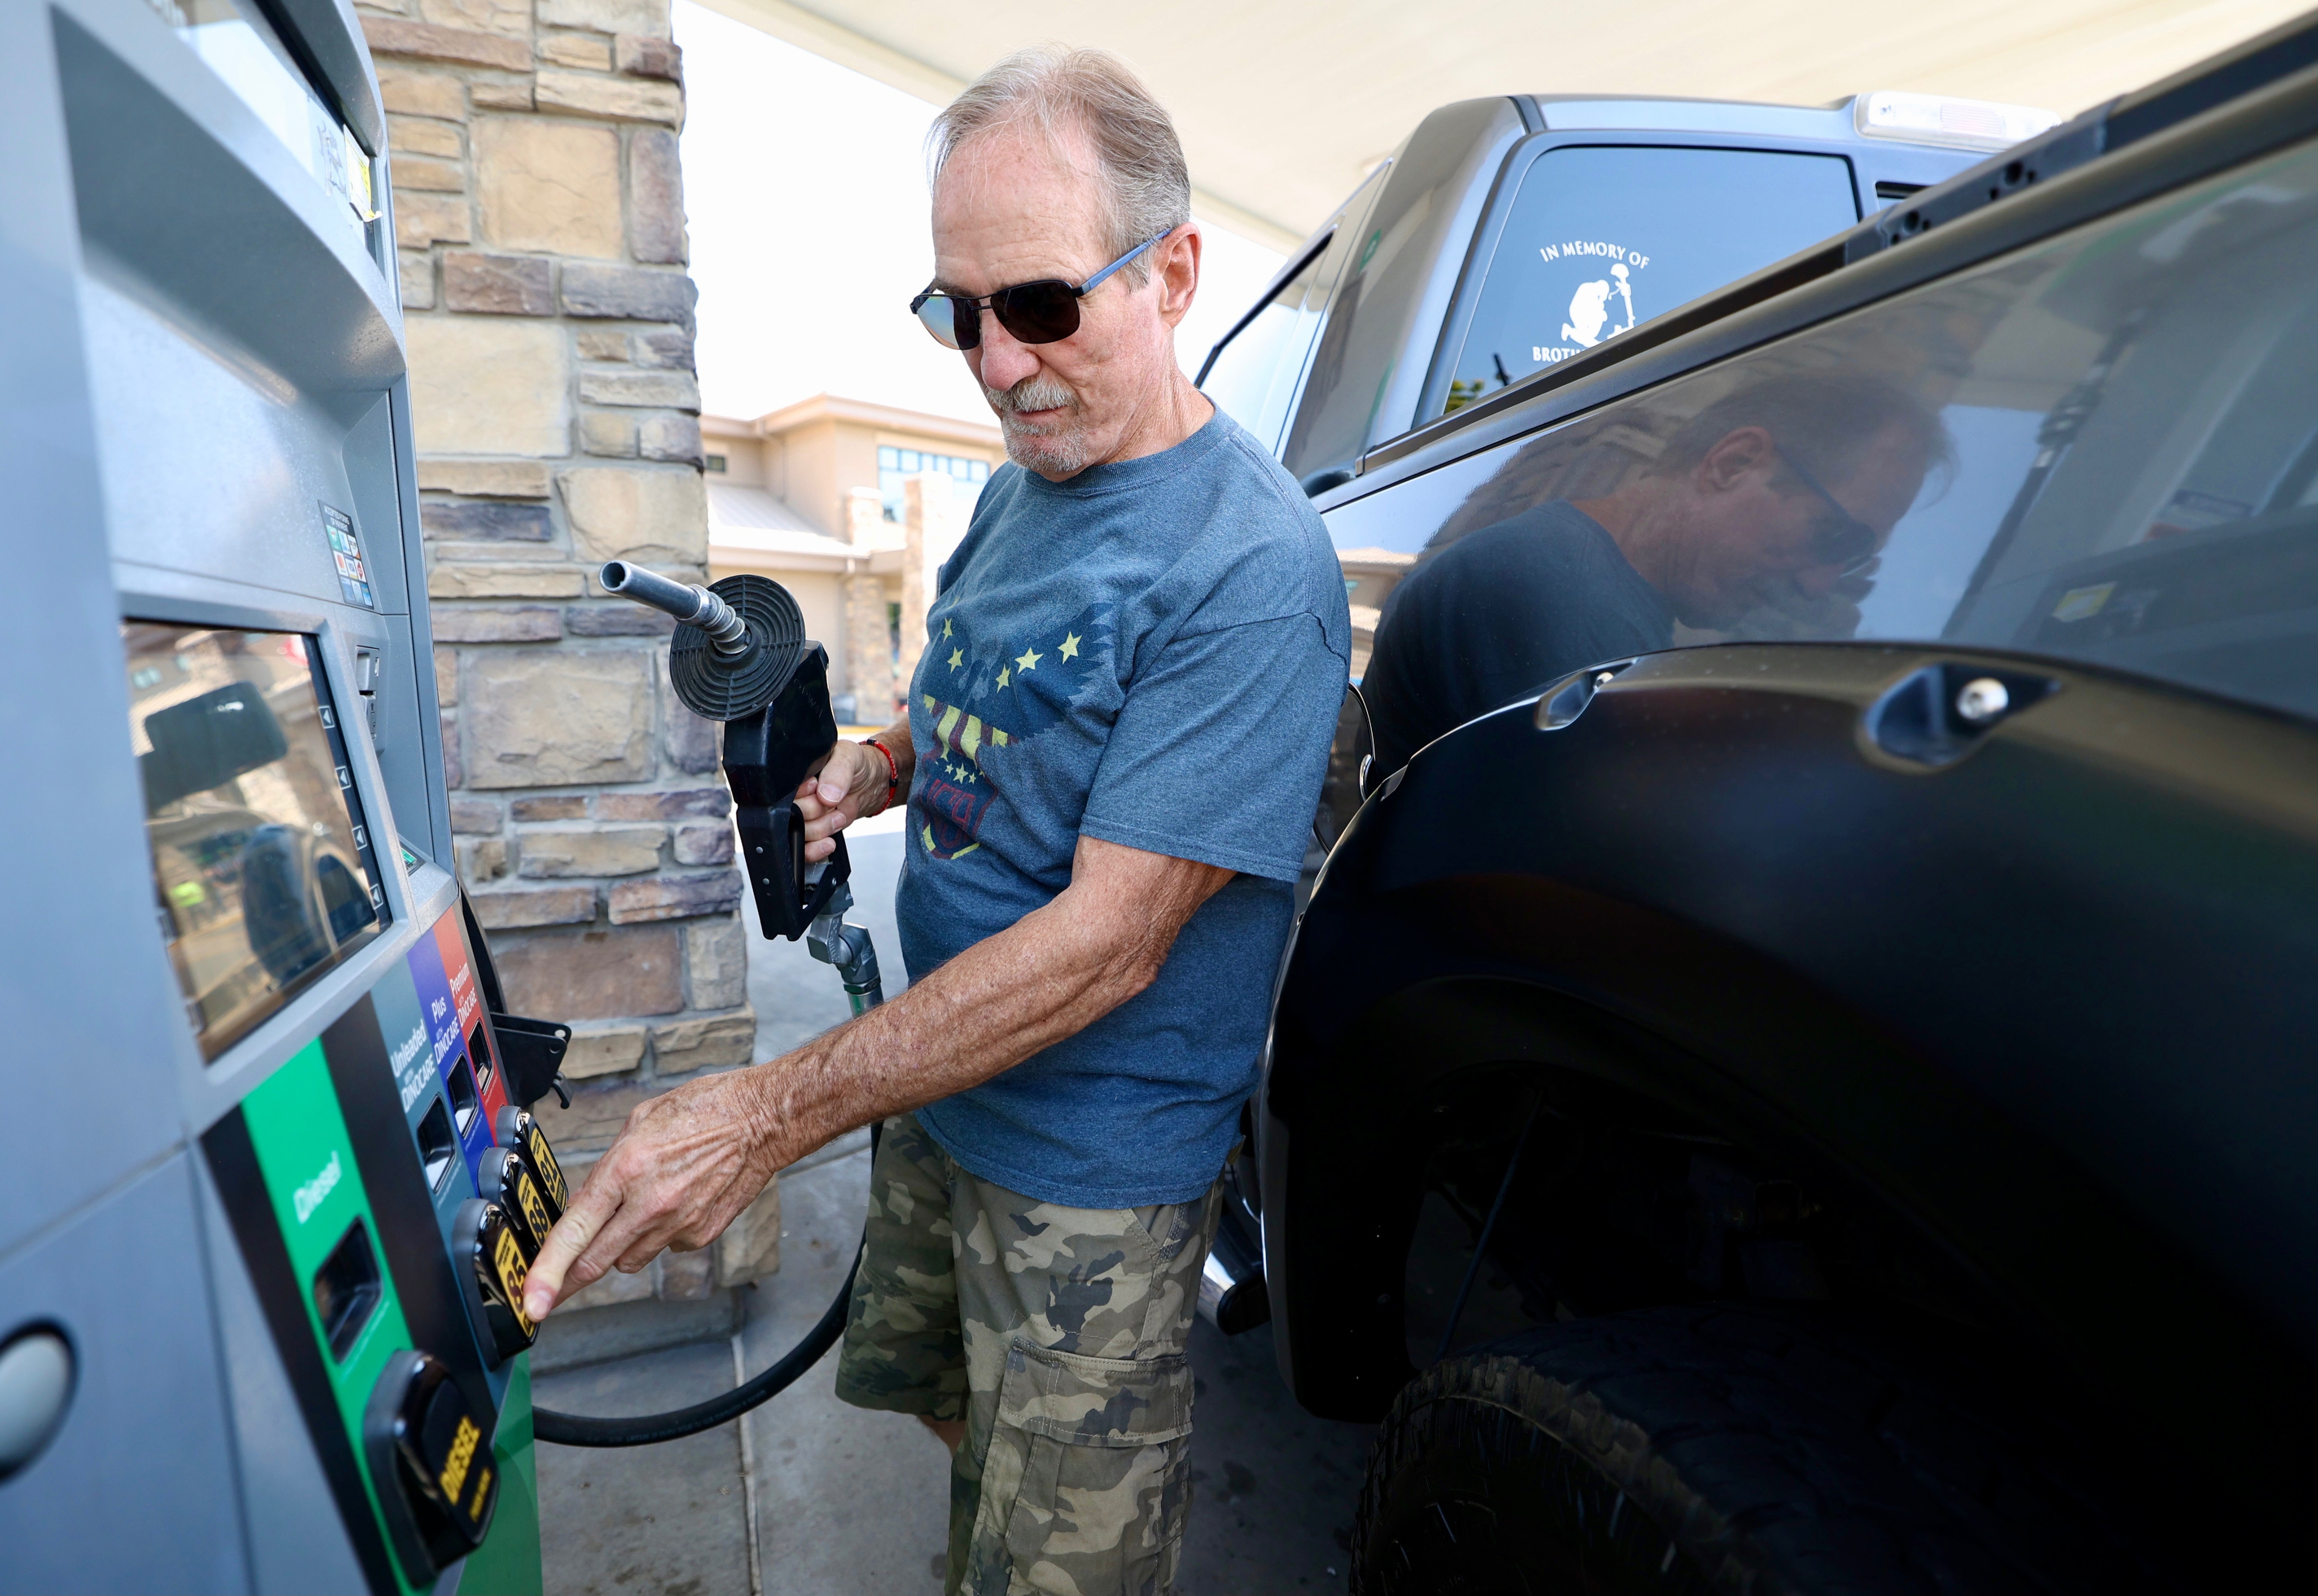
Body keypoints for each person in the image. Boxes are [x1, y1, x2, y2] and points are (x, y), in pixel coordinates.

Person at [520, 45, 1352, 1596]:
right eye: (956, 313)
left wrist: (769, 1114)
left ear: (1173, 273)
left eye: (1037, 304)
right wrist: (879, 766)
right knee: (954, 1415)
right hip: (939, 1087)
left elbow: (1109, 946)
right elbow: (993, 699)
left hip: (1089, 1166)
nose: (995, 362)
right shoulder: (1023, 488)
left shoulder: (1250, 569)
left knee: (1070, 1563)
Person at [1358, 373, 1948, 770]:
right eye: (1834, 537)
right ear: (1734, 463)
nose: (1819, 584)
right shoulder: (1566, 598)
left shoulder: (1577, 575)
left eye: (1854, 561)